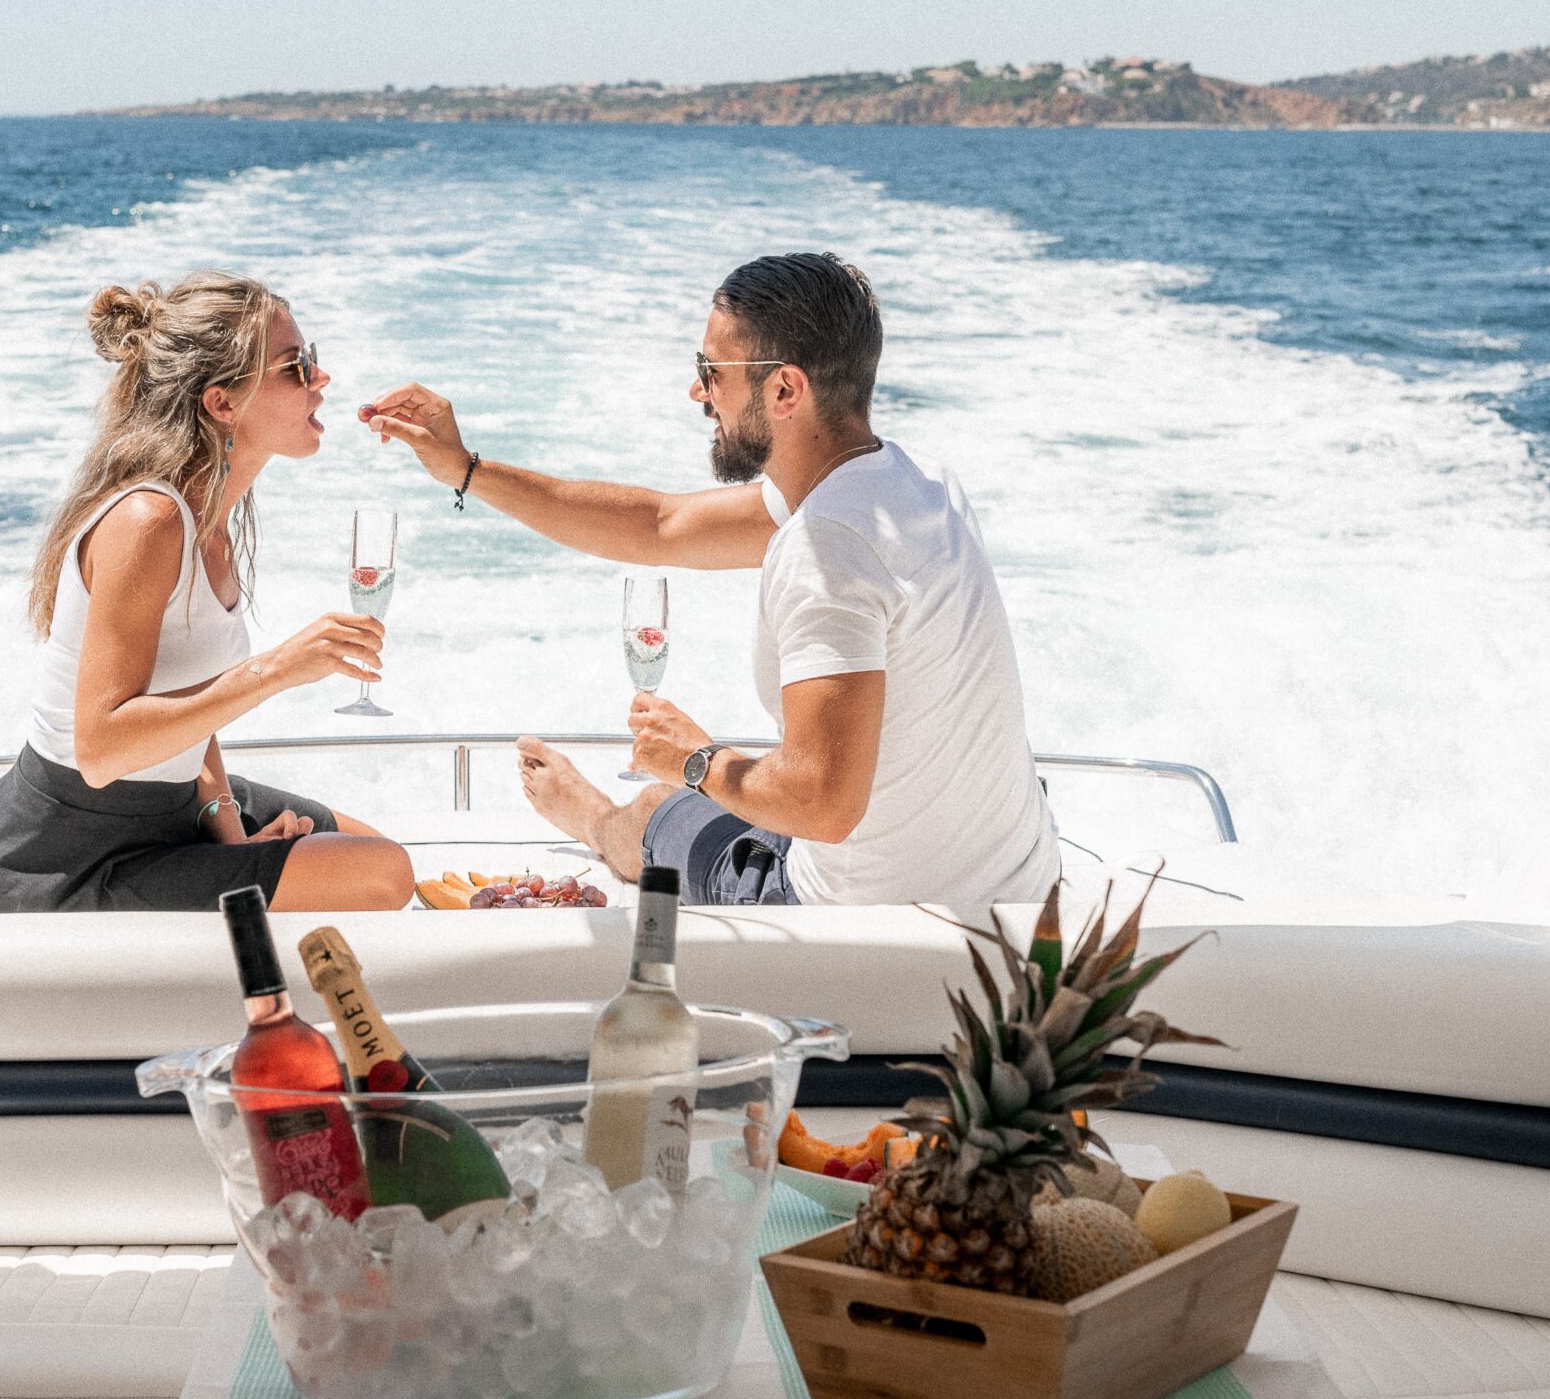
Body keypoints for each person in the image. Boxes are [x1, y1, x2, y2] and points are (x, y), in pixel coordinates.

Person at [363, 252, 1058, 916]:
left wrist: (696, 760)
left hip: (858, 915)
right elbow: (660, 524)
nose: (698, 391)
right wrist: (465, 467)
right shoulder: (915, 484)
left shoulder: (827, 550)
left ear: (785, 388)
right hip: (1021, 892)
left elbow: (824, 805)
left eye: (711, 370)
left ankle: (597, 819)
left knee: (656, 806)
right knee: (727, 782)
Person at [0, 273, 413, 914]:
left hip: (175, 807)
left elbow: (188, 691)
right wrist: (276, 671)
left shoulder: (212, 523)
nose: (321, 379)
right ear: (222, 404)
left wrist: (227, 833)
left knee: (372, 847)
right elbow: (101, 749)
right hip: (78, 850)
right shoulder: (147, 522)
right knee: (384, 875)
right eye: (297, 367)